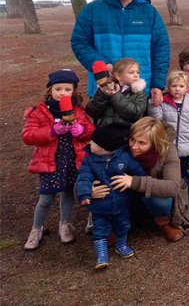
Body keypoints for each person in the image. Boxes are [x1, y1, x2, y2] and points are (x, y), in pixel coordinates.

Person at [71, 0, 169, 104]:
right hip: (104, 88)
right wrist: (103, 65)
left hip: (139, 92)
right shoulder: (93, 10)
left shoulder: (149, 13)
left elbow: (161, 50)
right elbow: (79, 42)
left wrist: (157, 84)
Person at [21, 69, 95, 250]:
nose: (62, 93)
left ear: (74, 91)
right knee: (46, 198)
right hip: (49, 162)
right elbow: (28, 135)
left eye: (67, 89)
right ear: (50, 90)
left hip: (71, 160)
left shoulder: (77, 111)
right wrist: (52, 131)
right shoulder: (39, 112)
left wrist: (82, 131)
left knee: (67, 194)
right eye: (58, 89)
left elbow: (91, 130)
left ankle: (65, 224)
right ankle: (36, 229)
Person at [101, 117, 189, 242]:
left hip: (149, 193)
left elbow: (173, 187)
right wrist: (91, 188)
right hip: (124, 192)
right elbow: (92, 168)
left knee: (162, 201)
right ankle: (115, 225)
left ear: (154, 143)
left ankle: (163, 222)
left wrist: (135, 182)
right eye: (133, 139)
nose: (134, 146)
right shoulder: (121, 144)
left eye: (141, 143)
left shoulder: (168, 150)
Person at [75, 122, 146, 269]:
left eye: (93, 142)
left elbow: (138, 171)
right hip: (99, 206)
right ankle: (102, 255)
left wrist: (139, 182)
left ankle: (121, 245)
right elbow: (83, 178)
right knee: (99, 229)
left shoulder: (124, 158)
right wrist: (85, 194)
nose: (90, 143)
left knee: (123, 225)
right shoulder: (89, 161)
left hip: (121, 203)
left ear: (105, 148)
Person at [148, 70, 189, 175]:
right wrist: (154, 104)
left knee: (185, 174)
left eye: (181, 86)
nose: (177, 89)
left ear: (187, 88)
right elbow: (156, 120)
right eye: (174, 86)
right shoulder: (163, 103)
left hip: (187, 148)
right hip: (168, 148)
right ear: (168, 87)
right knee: (169, 174)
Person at [85, 57, 147, 126]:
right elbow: (92, 112)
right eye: (131, 72)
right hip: (105, 130)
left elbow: (135, 113)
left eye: (137, 72)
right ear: (118, 76)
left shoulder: (139, 92)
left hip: (126, 132)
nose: (136, 75)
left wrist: (115, 95)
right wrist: (103, 95)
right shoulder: (107, 89)